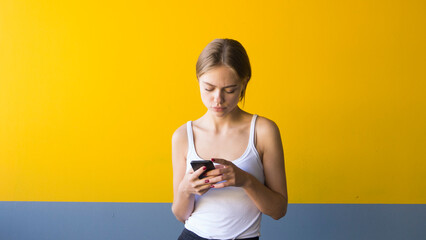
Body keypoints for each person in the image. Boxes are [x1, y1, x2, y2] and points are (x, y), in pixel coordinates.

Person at [171, 38, 288, 240]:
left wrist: (245, 180)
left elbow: (278, 211)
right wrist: (185, 189)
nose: (218, 99)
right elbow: (181, 215)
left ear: (244, 83)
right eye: (209, 88)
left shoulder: (263, 131)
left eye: (230, 90)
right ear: (198, 80)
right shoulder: (183, 135)